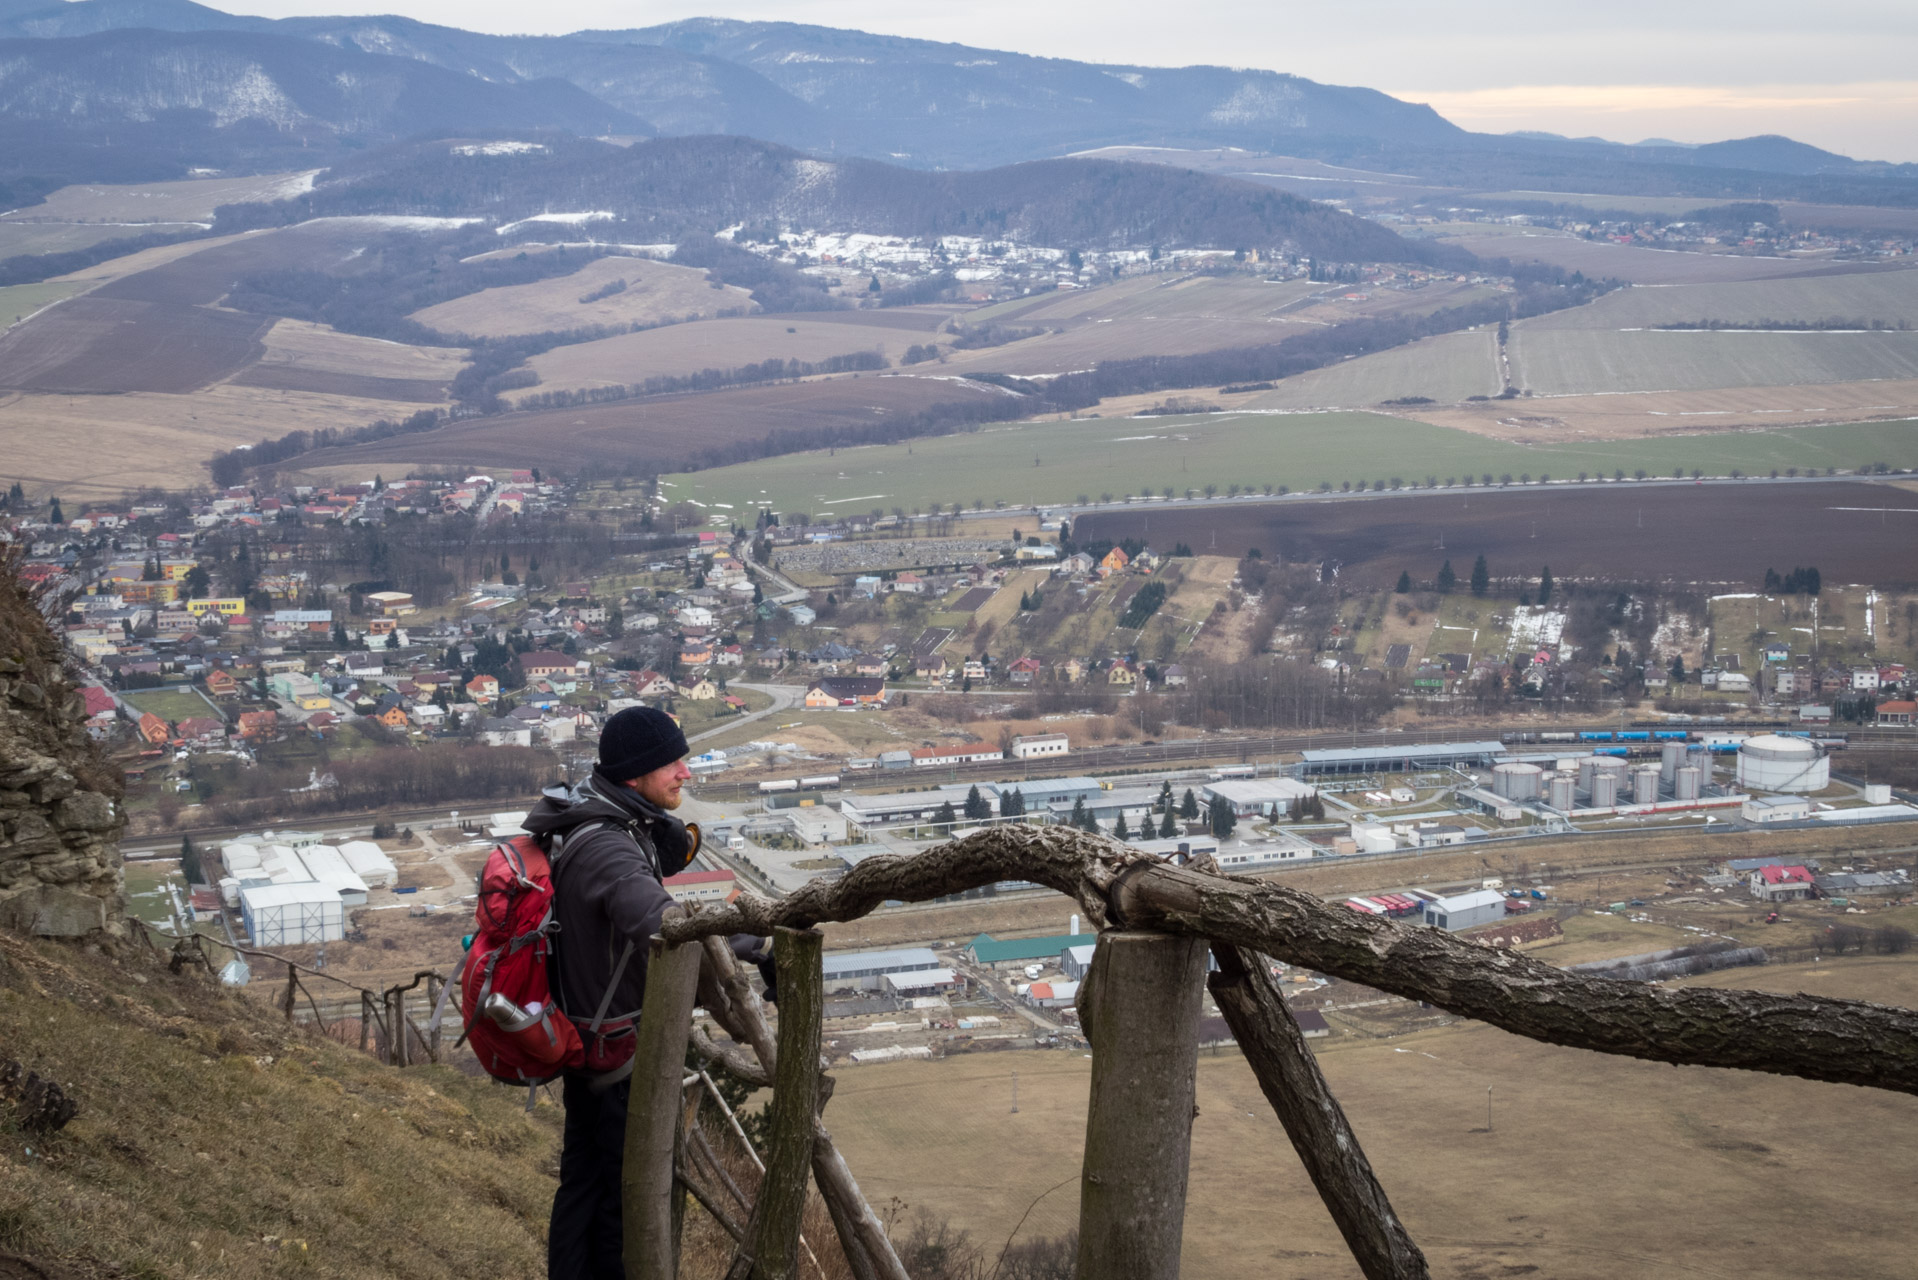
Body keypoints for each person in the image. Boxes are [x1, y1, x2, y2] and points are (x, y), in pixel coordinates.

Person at [524, 705, 769, 1280]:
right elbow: (672, 925)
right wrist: (760, 944)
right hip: (613, 1056)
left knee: (582, 1188)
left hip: (585, 1041)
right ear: (636, 774)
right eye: (672, 763)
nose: (686, 772)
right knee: (619, 1206)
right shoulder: (609, 849)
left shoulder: (595, 816)